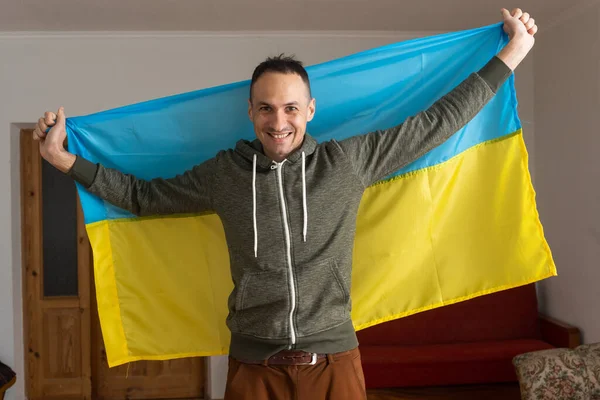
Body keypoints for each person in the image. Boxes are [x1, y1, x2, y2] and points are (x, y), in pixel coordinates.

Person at [33, 8, 537, 400]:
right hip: (254, 369)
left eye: (291, 108)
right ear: (250, 111)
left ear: (310, 110)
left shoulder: (348, 163)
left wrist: (511, 54)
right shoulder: (223, 175)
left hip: (335, 363)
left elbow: (437, 122)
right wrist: (63, 161)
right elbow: (143, 197)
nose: (279, 121)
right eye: (267, 108)